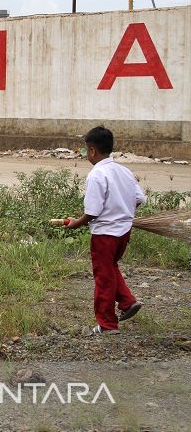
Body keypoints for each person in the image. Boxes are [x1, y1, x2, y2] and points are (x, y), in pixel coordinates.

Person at [66, 126, 145, 335]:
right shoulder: (124, 171)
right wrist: (121, 210)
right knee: (109, 268)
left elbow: (92, 211)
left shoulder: (97, 174)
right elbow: (139, 198)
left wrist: (76, 223)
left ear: (92, 150)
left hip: (105, 234)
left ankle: (107, 324)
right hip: (124, 231)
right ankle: (128, 302)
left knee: (103, 277)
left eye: (85, 151)